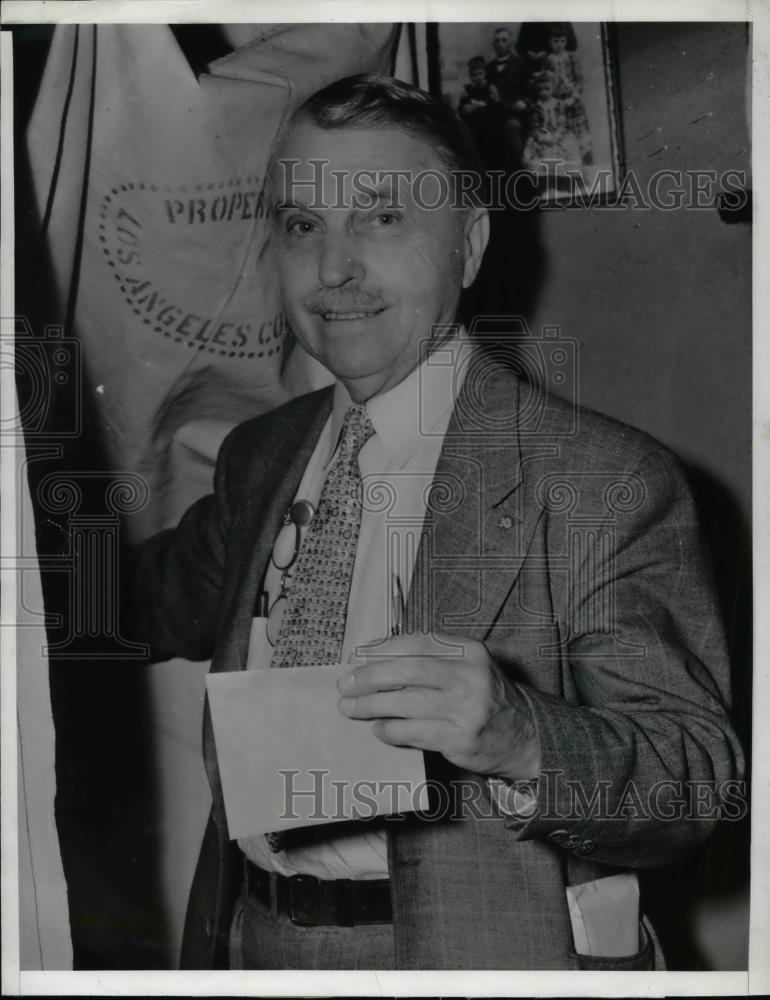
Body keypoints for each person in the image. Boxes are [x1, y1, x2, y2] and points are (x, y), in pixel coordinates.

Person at [128, 75, 742, 971]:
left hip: (477, 958)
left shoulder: (601, 478)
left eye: (380, 218)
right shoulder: (262, 456)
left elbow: (695, 779)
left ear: (469, 245)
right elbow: (140, 602)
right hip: (254, 946)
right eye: (303, 225)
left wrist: (520, 735)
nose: (333, 268)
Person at [484, 27, 532, 165]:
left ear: (511, 42)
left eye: (504, 40)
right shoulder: (488, 68)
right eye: (497, 40)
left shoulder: (521, 64)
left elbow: (531, 90)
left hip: (515, 114)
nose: (500, 43)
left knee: (512, 128)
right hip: (495, 114)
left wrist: (525, 102)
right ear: (493, 45)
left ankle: (517, 174)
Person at [458, 56, 503, 167]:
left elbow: (495, 105)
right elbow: (463, 105)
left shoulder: (490, 87)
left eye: (480, 74)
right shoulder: (468, 89)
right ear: (470, 76)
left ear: (485, 73)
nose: (477, 77)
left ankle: (489, 163)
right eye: (474, 75)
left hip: (488, 121)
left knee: (489, 140)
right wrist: (465, 107)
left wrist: (480, 106)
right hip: (473, 121)